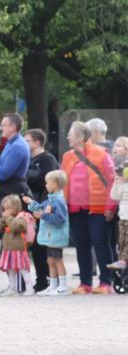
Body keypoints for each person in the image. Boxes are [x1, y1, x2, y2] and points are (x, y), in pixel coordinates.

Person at [61, 121, 115, 294]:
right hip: (75, 209)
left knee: (101, 244)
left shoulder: (101, 154)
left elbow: (112, 181)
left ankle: (106, 282)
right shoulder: (67, 156)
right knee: (82, 245)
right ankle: (85, 283)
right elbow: (63, 182)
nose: (68, 136)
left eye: (70, 133)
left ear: (81, 137)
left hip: (97, 207)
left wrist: (110, 205)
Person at [23, 128, 60, 293]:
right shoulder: (26, 159)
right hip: (29, 205)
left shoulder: (48, 159)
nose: (25, 144)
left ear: (37, 142)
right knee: (33, 246)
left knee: (43, 245)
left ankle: (49, 279)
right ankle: (39, 279)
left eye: (27, 141)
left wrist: (44, 207)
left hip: (42, 205)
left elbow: (50, 184)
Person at [24, 170, 70, 295]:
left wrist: (43, 215)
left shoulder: (58, 201)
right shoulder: (50, 200)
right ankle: (53, 285)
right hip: (50, 237)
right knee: (50, 260)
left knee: (57, 260)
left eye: (47, 183)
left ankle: (63, 286)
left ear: (54, 184)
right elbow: (40, 207)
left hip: (56, 237)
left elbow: (60, 220)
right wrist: (31, 203)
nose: (45, 185)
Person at [0, 195, 35, 296]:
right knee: (10, 269)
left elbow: (16, 227)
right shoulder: (8, 218)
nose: (5, 211)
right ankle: (12, 288)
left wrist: (8, 218)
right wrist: (3, 219)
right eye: (4, 209)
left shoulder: (22, 217)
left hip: (18, 249)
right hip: (8, 249)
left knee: (23, 269)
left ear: (16, 207)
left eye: (8, 208)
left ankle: (30, 288)